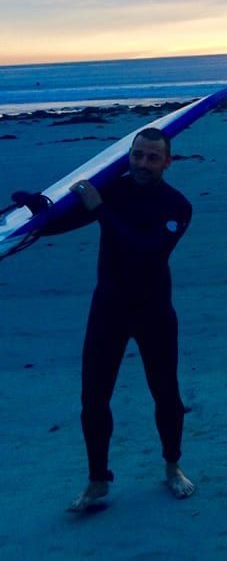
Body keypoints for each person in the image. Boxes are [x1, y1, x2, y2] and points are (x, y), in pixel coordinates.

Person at [36, 128, 195, 511]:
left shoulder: (177, 206)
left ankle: (173, 467)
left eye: (152, 157)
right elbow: (71, 218)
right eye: (138, 155)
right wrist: (37, 214)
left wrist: (100, 209)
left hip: (153, 310)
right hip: (108, 308)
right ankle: (97, 481)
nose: (143, 163)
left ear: (167, 162)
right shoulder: (116, 189)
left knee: (166, 394)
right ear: (130, 156)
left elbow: (146, 251)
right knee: (93, 397)